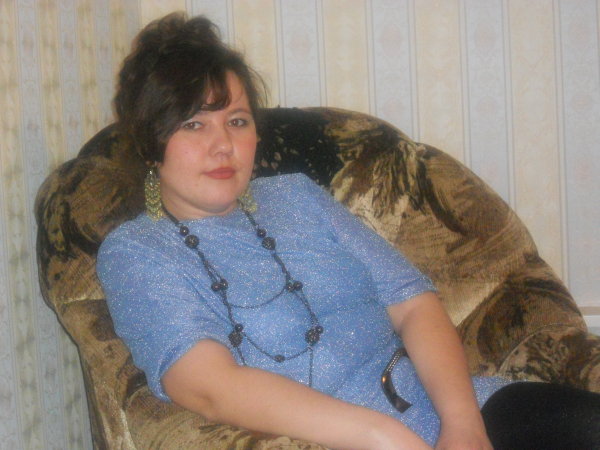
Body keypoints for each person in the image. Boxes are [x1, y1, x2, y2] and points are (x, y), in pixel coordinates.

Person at [97, 12, 600, 449]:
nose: (223, 145)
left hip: (454, 411)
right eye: (193, 124)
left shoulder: (296, 195)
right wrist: (386, 437)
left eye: (237, 120)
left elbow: (414, 304)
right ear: (150, 143)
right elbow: (209, 386)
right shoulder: (137, 252)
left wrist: (464, 425)